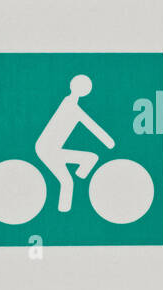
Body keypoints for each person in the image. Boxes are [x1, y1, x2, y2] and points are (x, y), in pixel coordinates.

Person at [34, 74, 115, 212]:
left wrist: (108, 142)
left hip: (48, 149)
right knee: (90, 159)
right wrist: (109, 142)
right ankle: (81, 177)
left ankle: (63, 211)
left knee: (67, 182)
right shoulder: (70, 106)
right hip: (47, 150)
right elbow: (91, 125)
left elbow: (90, 124)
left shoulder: (71, 105)